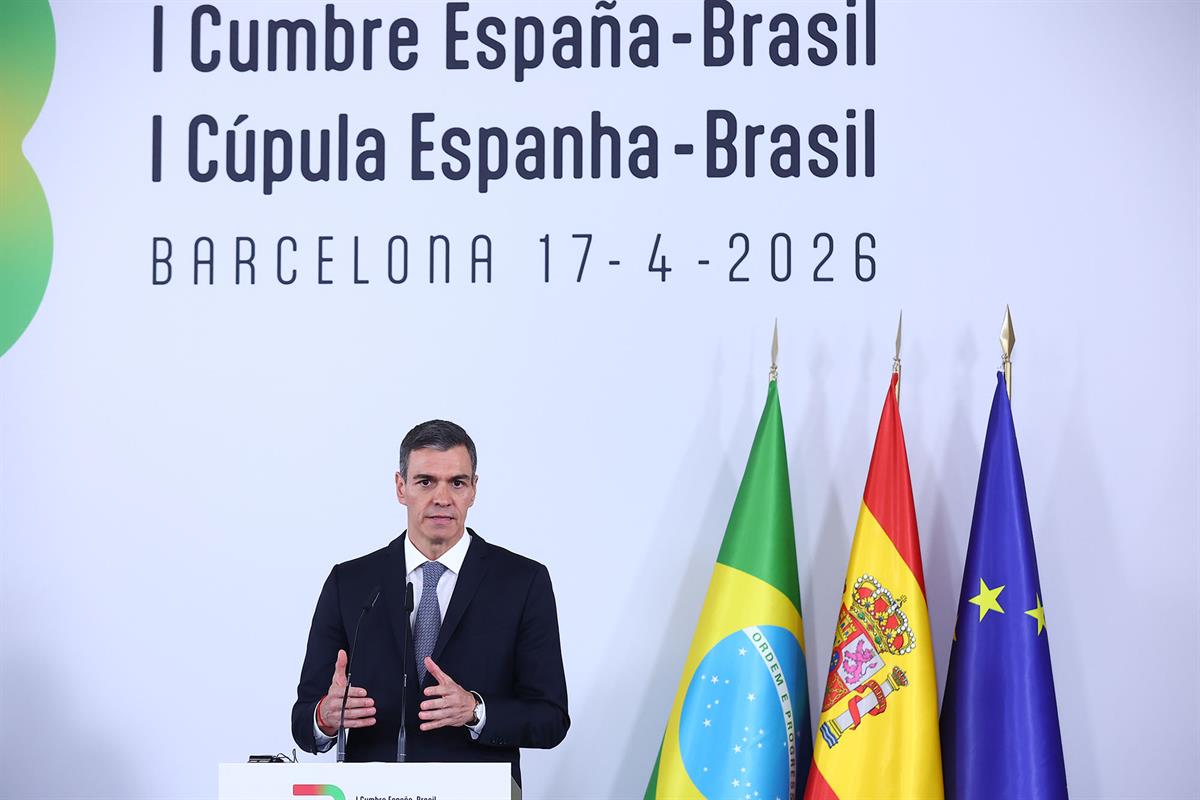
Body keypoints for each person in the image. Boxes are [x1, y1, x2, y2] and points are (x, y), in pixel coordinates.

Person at [291, 420, 569, 787]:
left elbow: (550, 719)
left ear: (473, 490)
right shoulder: (352, 582)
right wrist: (324, 717)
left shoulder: (522, 581)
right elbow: (303, 719)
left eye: (457, 482)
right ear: (400, 487)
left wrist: (475, 710)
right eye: (425, 482)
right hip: (371, 792)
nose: (442, 498)